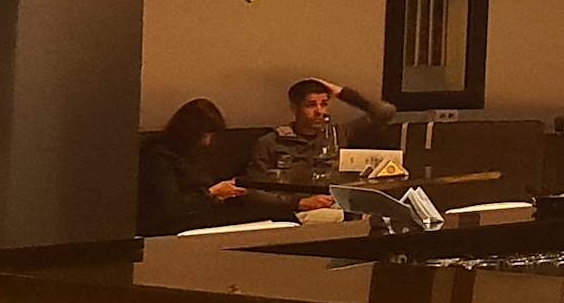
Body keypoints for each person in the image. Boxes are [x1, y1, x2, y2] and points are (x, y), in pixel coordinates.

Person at [140, 98, 329, 234]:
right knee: (268, 215)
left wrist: (225, 190)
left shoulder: (193, 155)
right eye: (205, 135)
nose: (208, 142)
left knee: (277, 213)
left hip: (206, 209)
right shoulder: (159, 157)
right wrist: (212, 193)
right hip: (179, 221)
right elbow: (171, 208)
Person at [245, 77, 396, 189]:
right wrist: (299, 203)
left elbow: (385, 112)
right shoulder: (272, 142)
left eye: (324, 104)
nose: (319, 111)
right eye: (311, 105)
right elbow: (254, 189)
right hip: (298, 208)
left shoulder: (338, 133)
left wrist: (340, 92)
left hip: (336, 202)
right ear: (294, 108)